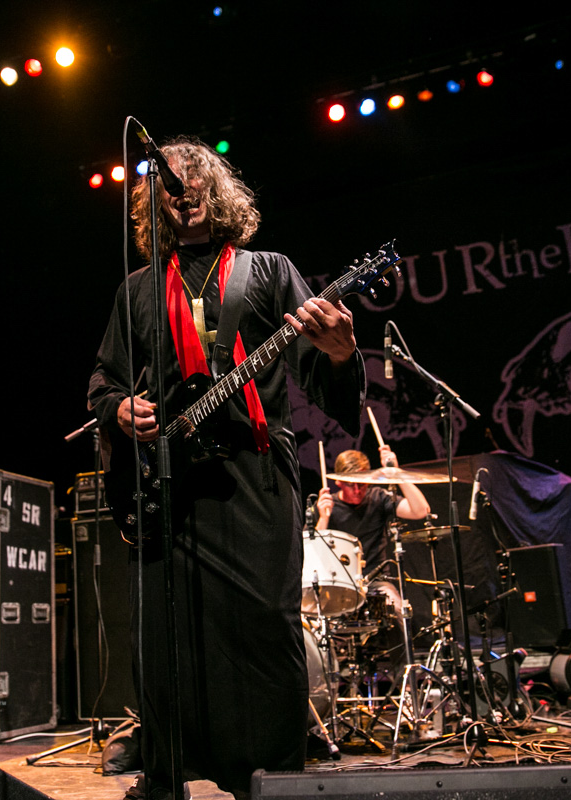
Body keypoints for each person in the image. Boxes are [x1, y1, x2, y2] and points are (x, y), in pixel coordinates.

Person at [88, 137, 365, 800]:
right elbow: (104, 381)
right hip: (168, 486)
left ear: (215, 191)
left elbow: (318, 374)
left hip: (254, 482)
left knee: (266, 631)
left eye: (194, 181)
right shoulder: (136, 289)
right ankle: (166, 777)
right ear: (155, 203)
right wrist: (120, 408)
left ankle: (269, 782)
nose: (183, 192)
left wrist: (338, 353)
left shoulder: (269, 271)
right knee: (164, 640)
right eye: (170, 185)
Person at [315, 445, 431, 615]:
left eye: (362, 484)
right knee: (318, 617)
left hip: (376, 583)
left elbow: (421, 510)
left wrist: (396, 472)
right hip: (338, 584)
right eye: (350, 484)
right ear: (338, 481)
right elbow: (312, 552)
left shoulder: (378, 497)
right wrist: (323, 518)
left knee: (397, 610)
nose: (357, 490)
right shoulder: (326, 506)